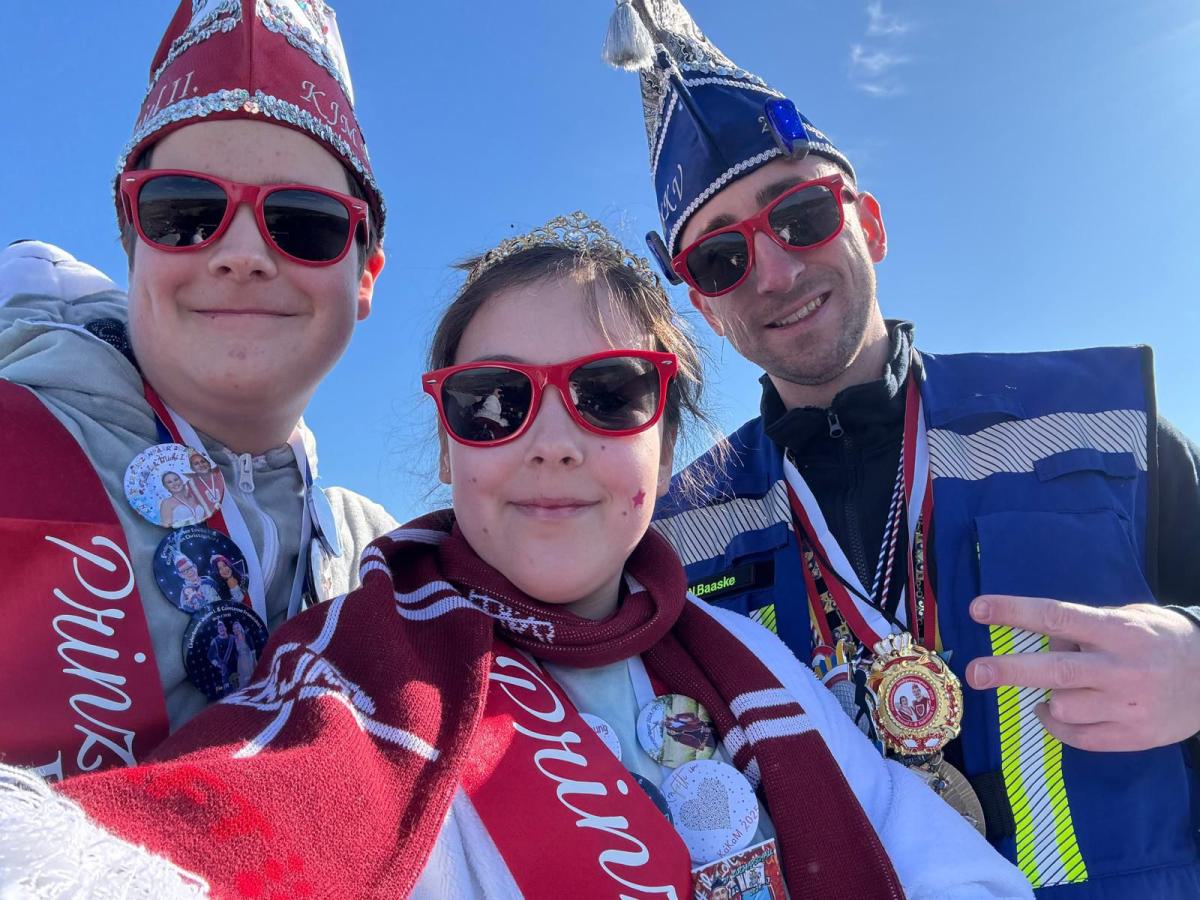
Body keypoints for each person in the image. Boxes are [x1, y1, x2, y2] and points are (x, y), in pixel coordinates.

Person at [0, 215, 1031, 899]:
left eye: (610, 394)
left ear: (667, 439)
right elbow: (211, 836)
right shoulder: (359, 680)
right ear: (449, 447)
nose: (552, 442)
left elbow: (944, 869)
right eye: (494, 402)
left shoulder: (751, 665)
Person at [603, 1, 1200, 895]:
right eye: (721, 259)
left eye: (802, 214)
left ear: (869, 224)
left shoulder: (1107, 423)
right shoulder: (675, 539)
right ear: (706, 309)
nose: (775, 272)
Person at [0, 0, 397, 783]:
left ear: (365, 278)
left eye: (304, 222)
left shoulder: (383, 562)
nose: (243, 253)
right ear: (133, 243)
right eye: (185, 213)